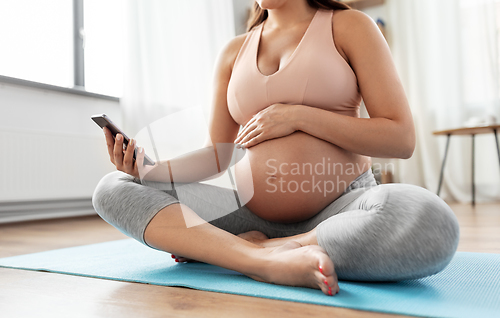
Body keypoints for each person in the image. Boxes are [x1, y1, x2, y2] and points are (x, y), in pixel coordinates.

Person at [92, 0, 459, 296]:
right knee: (113, 188)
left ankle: (271, 246)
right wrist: (149, 170)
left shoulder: (349, 26)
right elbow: (218, 155)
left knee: (431, 219)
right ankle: (256, 259)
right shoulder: (233, 52)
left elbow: (400, 138)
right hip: (243, 211)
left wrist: (299, 116)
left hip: (338, 211)